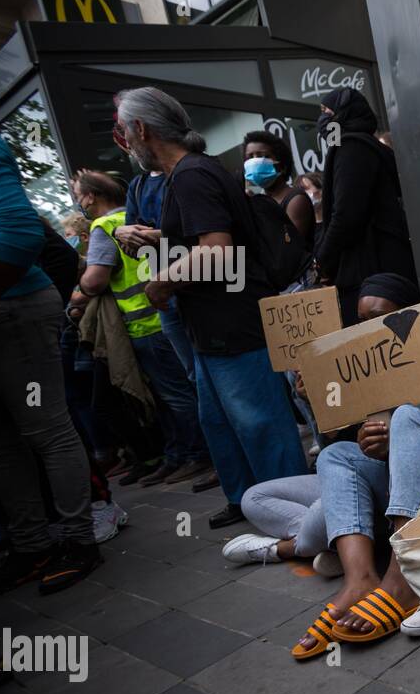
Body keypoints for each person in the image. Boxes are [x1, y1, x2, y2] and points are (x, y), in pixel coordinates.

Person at [117, 86, 306, 529]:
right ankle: (248, 501)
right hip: (209, 326)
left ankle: (294, 509)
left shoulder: (191, 175)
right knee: (220, 421)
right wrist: (158, 241)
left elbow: (219, 251)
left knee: (258, 420)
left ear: (142, 129)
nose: (126, 140)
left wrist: (163, 281)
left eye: (127, 131)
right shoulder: (190, 173)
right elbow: (209, 240)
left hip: (231, 323)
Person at [291, 264, 420, 658]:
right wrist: (320, 403)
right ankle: (360, 578)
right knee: (338, 454)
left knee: (411, 414)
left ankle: (403, 574)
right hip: (417, 489)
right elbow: (367, 442)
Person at [219, 273, 420, 572]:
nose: (368, 327)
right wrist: (316, 402)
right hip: (353, 477)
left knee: (329, 508)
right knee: (254, 497)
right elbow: (334, 449)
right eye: (361, 319)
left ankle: (286, 548)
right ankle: (341, 542)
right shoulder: (357, 363)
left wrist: (394, 442)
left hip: (393, 489)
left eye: (379, 317)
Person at [0, 128, 101, 596]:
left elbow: (19, 228)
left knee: (47, 429)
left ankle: (79, 541)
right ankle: (32, 545)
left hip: (10, 308)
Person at [72, 169, 211, 486]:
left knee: (173, 397)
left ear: (91, 196)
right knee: (174, 393)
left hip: (145, 324)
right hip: (162, 314)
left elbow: (95, 280)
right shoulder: (134, 218)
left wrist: (80, 286)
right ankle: (179, 455)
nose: (78, 201)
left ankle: (198, 455)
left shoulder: (103, 226)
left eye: (79, 195)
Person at [314, 87, 416, 325]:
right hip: (383, 265)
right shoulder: (367, 147)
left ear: (344, 114)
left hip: (370, 273)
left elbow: (347, 215)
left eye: (327, 111)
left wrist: (324, 260)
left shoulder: (352, 148)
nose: (322, 119)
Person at [242, 130, 315, 252]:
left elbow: (288, 248)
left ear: (282, 165)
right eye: (250, 157)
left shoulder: (296, 199)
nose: (255, 162)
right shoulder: (258, 200)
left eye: (262, 156)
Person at [296, 172, 325, 250]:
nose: (314, 190)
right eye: (306, 188)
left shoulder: (337, 218)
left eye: (317, 185)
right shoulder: (305, 229)